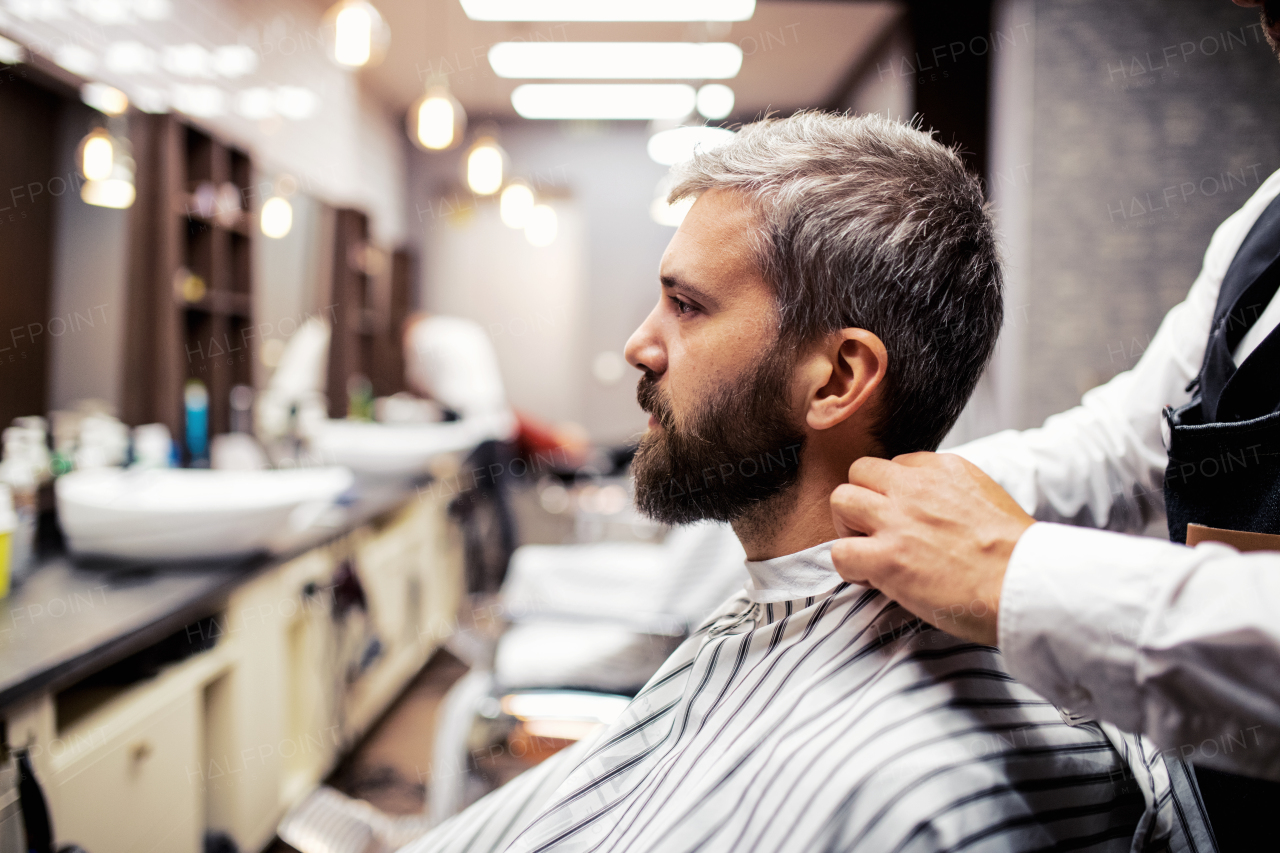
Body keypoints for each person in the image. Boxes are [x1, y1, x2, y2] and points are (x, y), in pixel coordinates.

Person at [401, 112, 1210, 853]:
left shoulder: (902, 796)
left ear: (836, 378)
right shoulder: (777, 612)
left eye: (686, 305)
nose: (637, 346)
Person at [827, 1, 1280, 848]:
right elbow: (1124, 446)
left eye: (689, 304)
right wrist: (887, 497)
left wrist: (1013, 567)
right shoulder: (1267, 223)